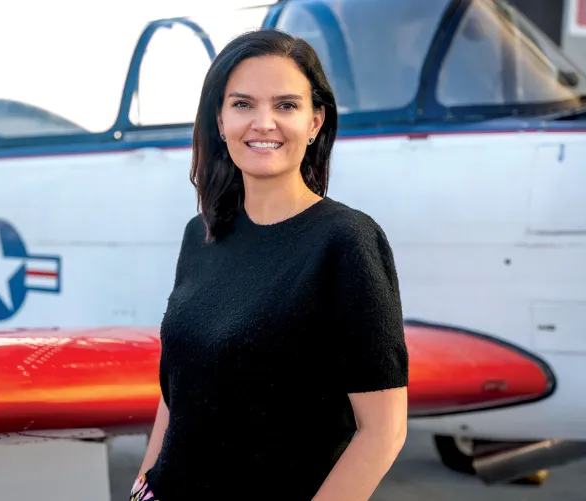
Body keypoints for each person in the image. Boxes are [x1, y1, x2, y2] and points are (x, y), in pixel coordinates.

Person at [130, 29, 409, 501]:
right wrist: (142, 485)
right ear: (219, 120)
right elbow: (178, 391)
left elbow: (382, 432)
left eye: (286, 105)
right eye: (242, 104)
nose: (263, 122)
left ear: (316, 122)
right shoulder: (199, 235)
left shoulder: (346, 241)